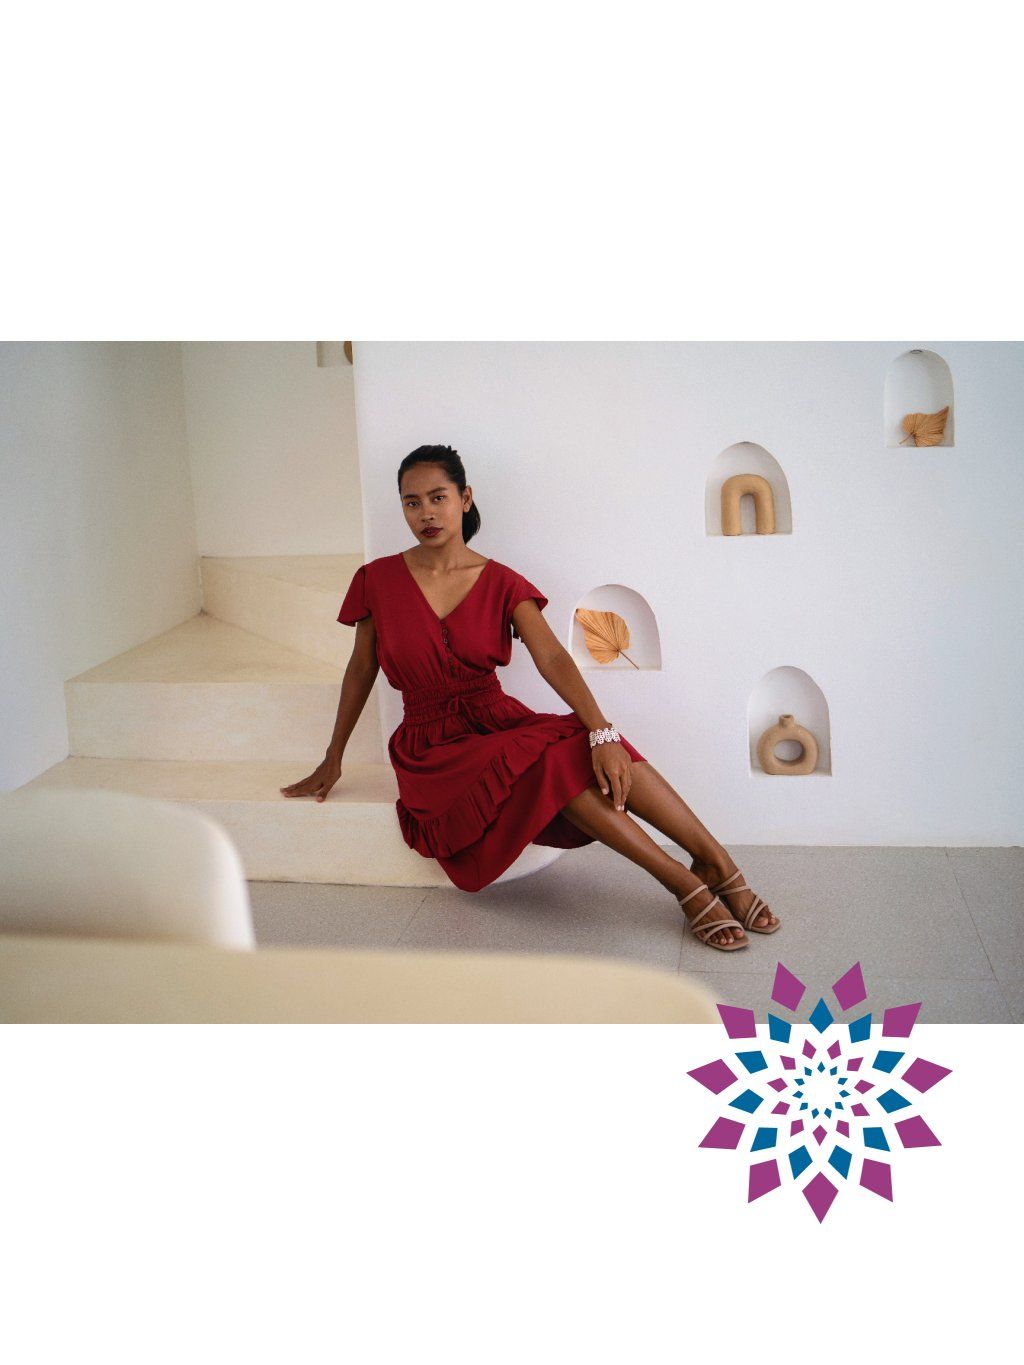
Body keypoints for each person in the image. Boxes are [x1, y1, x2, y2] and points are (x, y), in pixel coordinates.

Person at [281, 445, 779, 950]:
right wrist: (334, 754)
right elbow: (360, 669)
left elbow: (553, 658)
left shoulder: (502, 582)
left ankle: (717, 863)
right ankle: (685, 884)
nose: (426, 513)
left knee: (586, 740)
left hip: (497, 721)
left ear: (464, 498)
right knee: (554, 758)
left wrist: (602, 732)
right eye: (412, 503)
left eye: (437, 497)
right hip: (433, 749)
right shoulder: (377, 581)